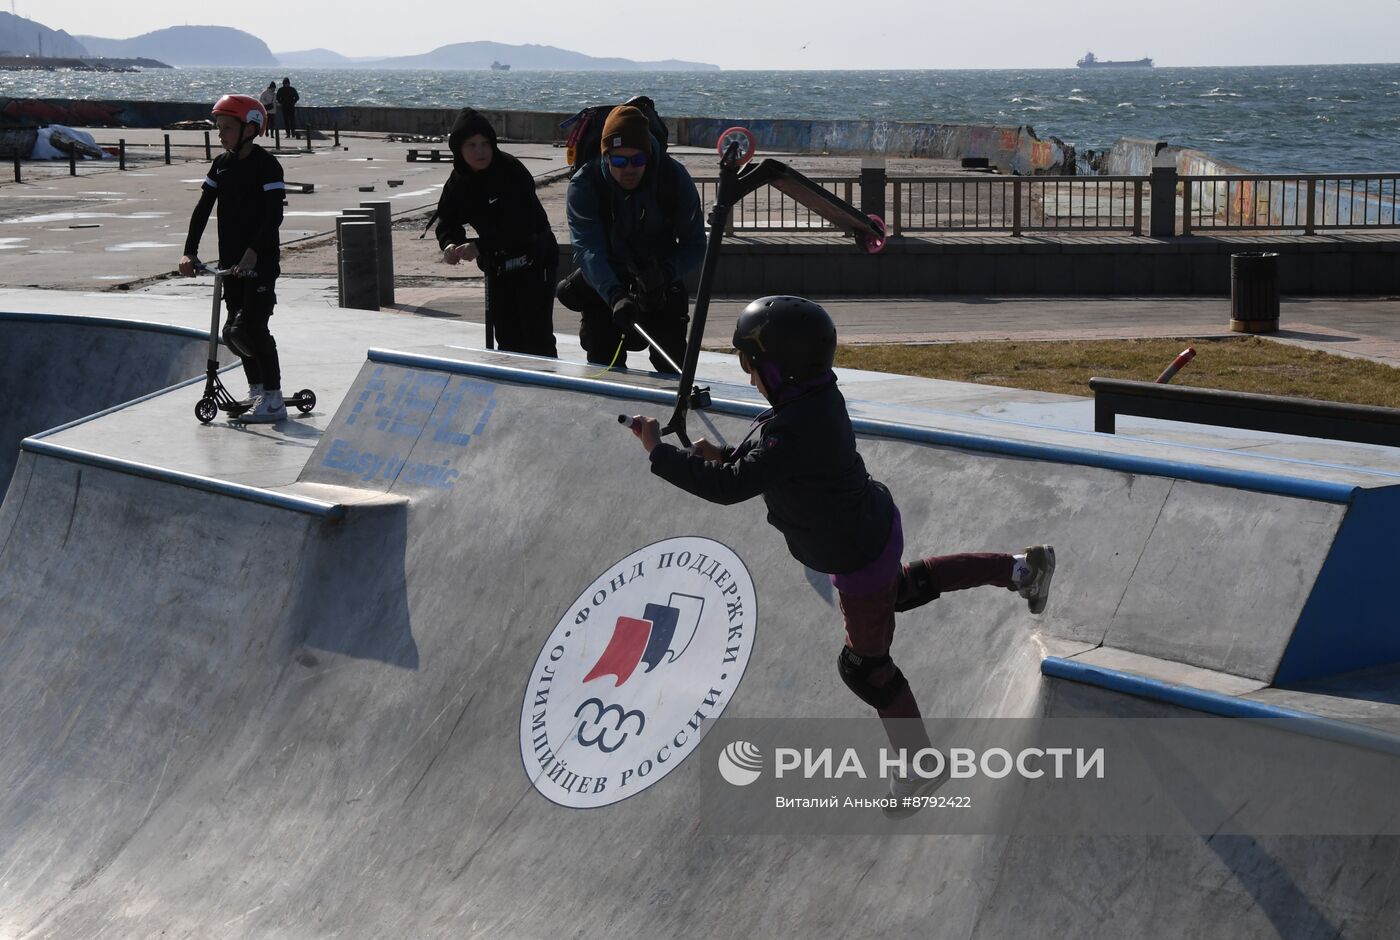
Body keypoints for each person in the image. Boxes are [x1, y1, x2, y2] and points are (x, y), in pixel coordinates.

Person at [625, 296, 1056, 816]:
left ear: (781, 370)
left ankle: (921, 768)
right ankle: (1018, 569)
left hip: (855, 555)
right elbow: (768, 461)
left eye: (752, 367)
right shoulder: (812, 400)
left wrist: (659, 452)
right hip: (870, 529)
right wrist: (725, 456)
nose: (751, 378)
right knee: (899, 589)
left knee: (865, 668)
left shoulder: (792, 426)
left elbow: (731, 488)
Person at [561, 103, 704, 372]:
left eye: (637, 160)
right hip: (607, 283)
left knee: (673, 366)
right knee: (604, 363)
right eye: (619, 161)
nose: (629, 169)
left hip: (660, 280)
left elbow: (695, 244)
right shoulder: (584, 184)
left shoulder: (673, 178)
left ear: (649, 156)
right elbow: (587, 249)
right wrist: (615, 294)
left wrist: (664, 273)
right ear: (605, 156)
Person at [177, 94, 289, 423]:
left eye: (227, 128)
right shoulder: (222, 165)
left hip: (259, 263)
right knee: (233, 332)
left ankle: (274, 398)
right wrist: (189, 250)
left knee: (253, 328)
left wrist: (254, 253)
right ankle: (257, 390)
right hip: (231, 266)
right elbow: (202, 210)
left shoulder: (267, 166)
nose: (220, 134)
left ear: (251, 128)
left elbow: (273, 218)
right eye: (219, 128)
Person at [434, 108, 558, 357]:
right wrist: (450, 244)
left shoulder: (511, 170)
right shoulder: (459, 180)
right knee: (507, 337)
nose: (480, 151)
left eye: (485, 144)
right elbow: (446, 219)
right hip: (498, 265)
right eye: (472, 145)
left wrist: (479, 246)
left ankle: (548, 389)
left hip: (535, 258)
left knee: (536, 336)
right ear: (459, 149)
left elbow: (521, 224)